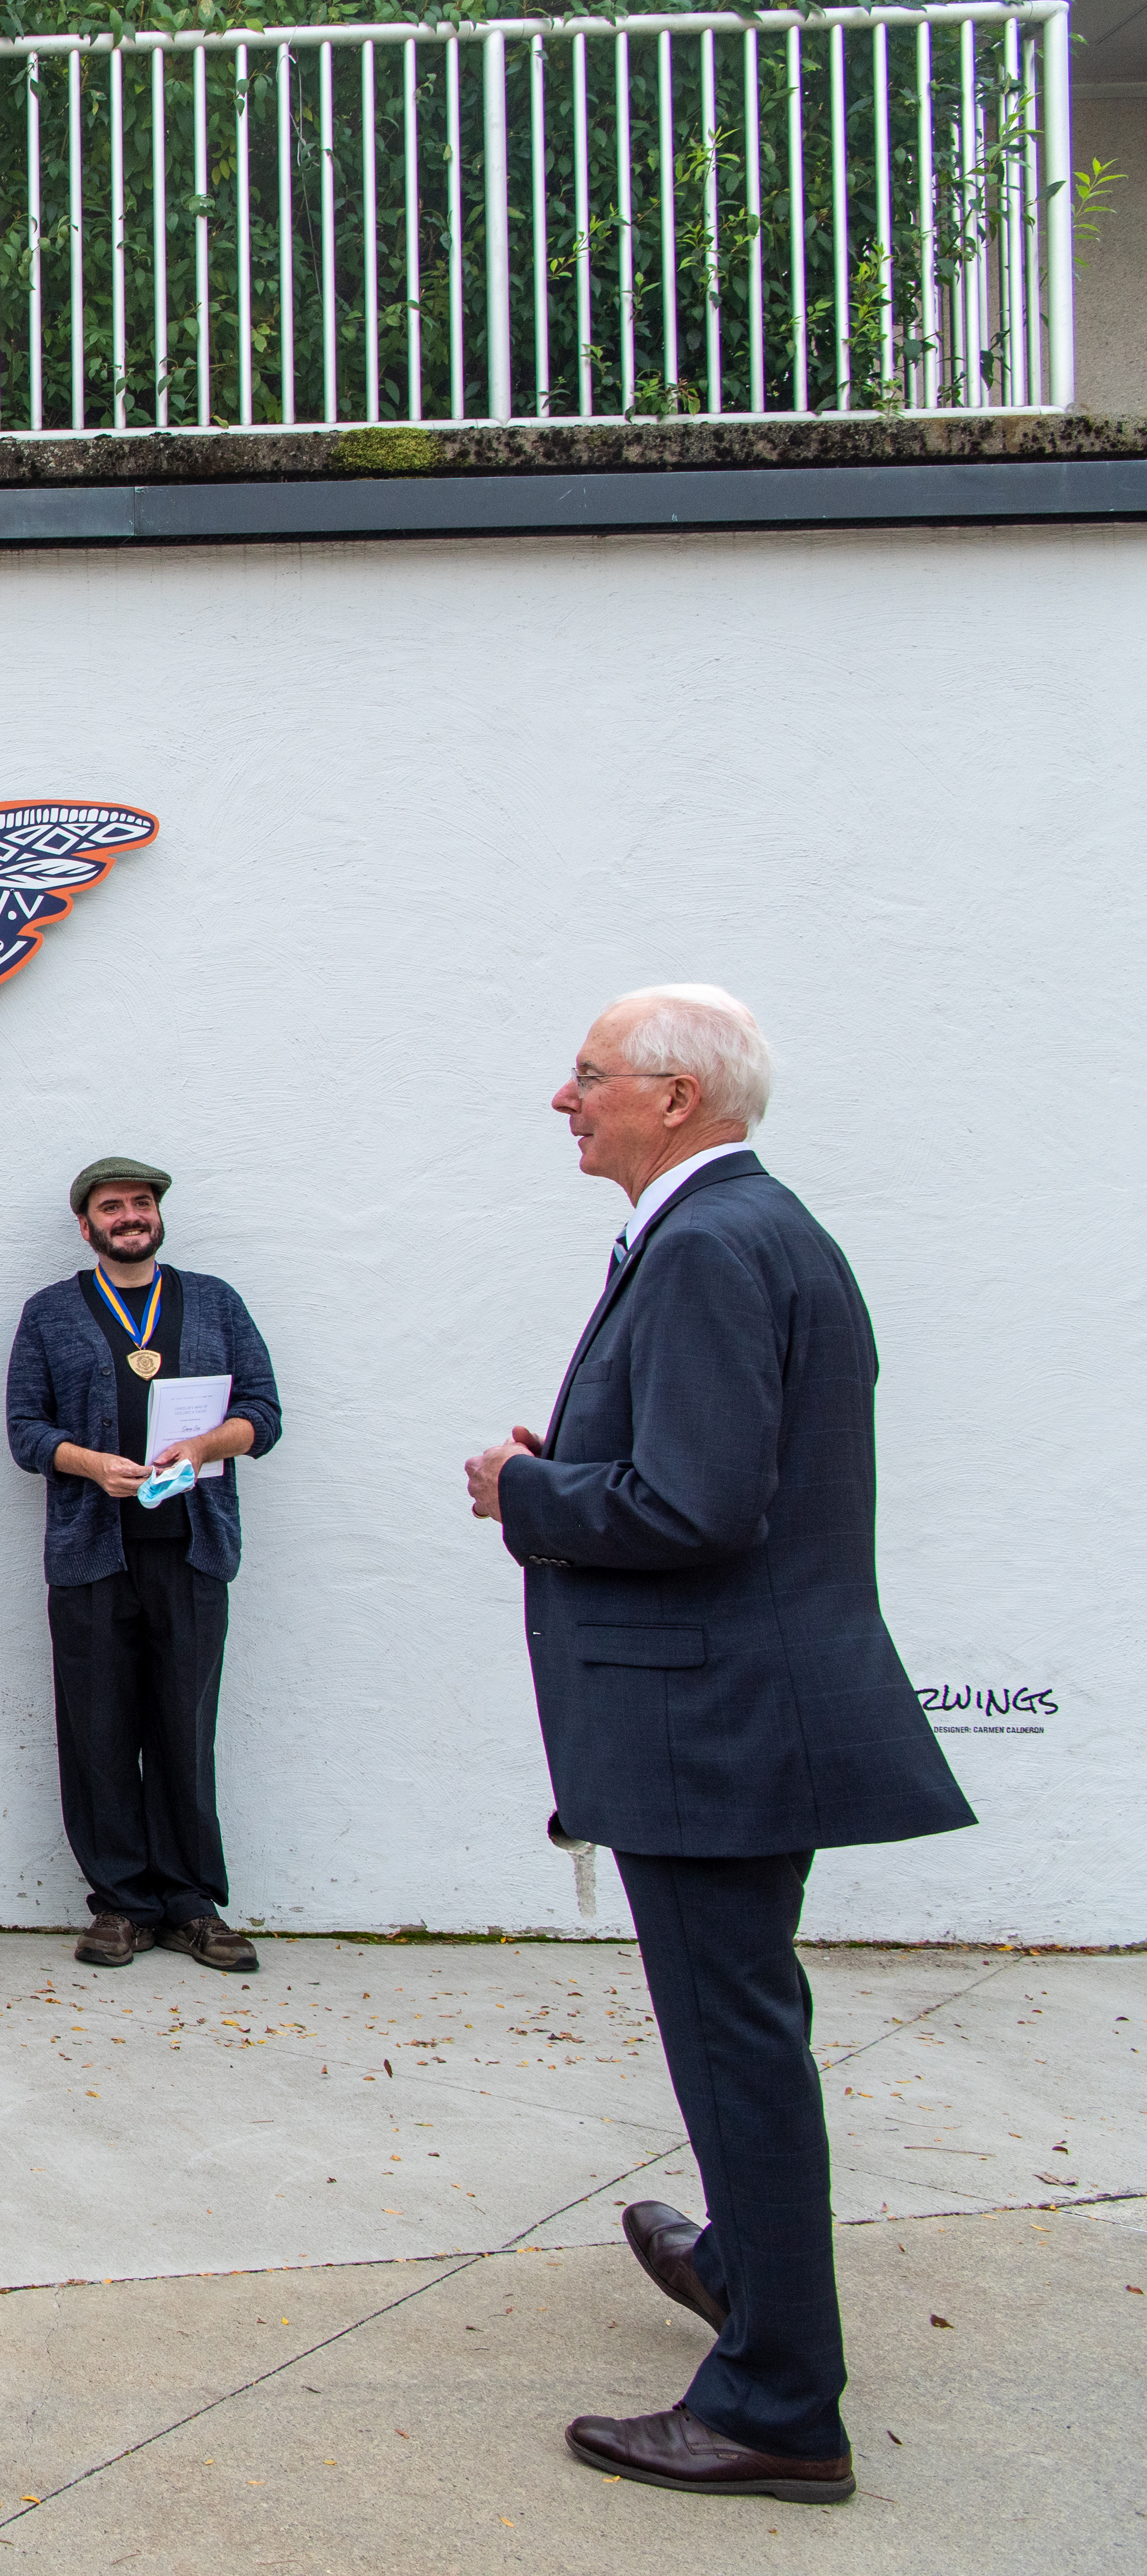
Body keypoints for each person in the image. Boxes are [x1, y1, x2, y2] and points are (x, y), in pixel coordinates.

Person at [462, 986, 969, 2505]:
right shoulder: (746, 1234)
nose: (565, 1099)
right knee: (745, 2032)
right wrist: (586, 1470)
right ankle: (745, 2268)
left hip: (711, 1722)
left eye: (588, 1076)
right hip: (731, 1711)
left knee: (737, 2050)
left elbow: (694, 1510)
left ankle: (775, 2405)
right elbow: (707, 1470)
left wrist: (522, 1493)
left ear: (675, 1098)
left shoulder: (709, 1248)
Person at [4, 1157, 283, 1972]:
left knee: (183, 1730)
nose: (129, 1216)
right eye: (111, 1207)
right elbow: (24, 1430)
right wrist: (89, 1464)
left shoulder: (216, 1302)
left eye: (141, 1204)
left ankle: (191, 1903)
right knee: (96, 1732)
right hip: (93, 1555)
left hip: (193, 1551)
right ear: (85, 1225)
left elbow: (264, 1412)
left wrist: (206, 1446)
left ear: (156, 1216)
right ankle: (121, 1904)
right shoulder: (51, 1313)